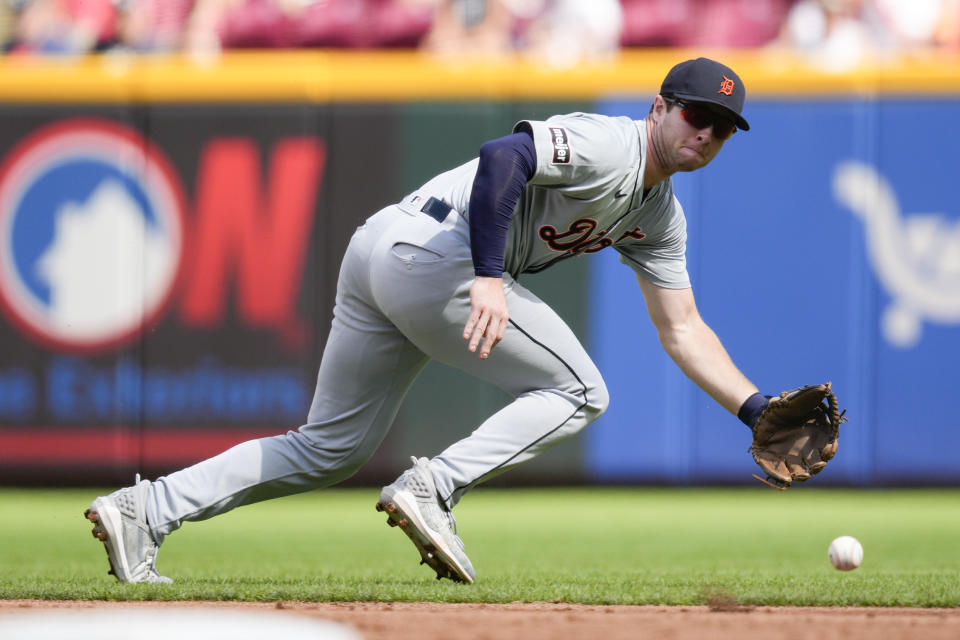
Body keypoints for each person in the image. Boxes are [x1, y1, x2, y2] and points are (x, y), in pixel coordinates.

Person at [85, 57, 774, 585]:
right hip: (433, 253)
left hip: (386, 249)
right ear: (660, 107)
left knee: (329, 447)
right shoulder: (613, 144)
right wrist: (484, 277)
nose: (706, 133)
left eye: (722, 129)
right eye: (694, 115)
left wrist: (754, 409)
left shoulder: (659, 216)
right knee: (581, 391)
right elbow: (505, 155)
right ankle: (432, 486)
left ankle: (145, 510)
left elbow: (682, 328)